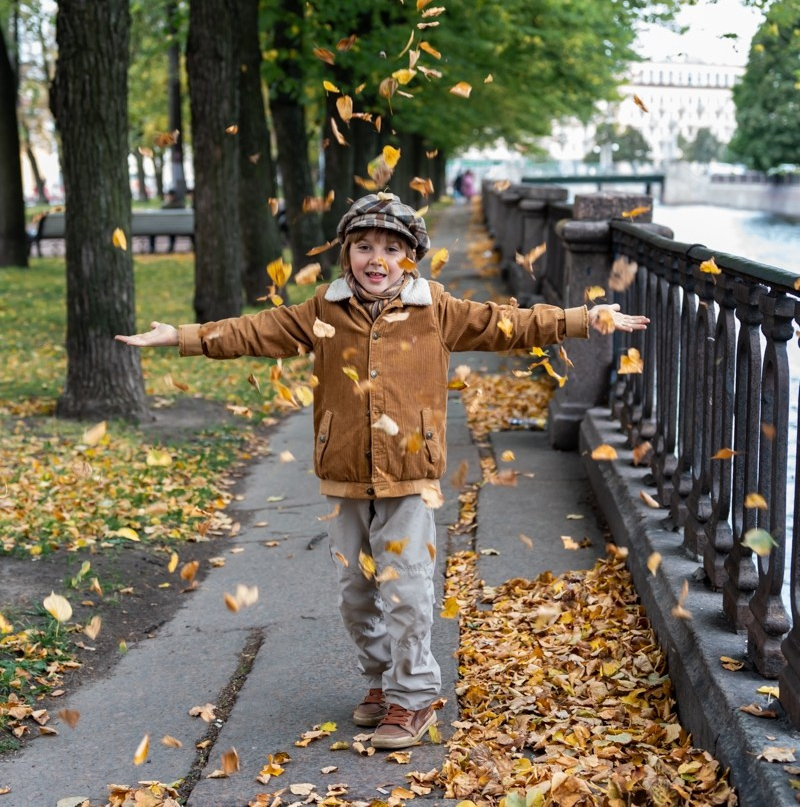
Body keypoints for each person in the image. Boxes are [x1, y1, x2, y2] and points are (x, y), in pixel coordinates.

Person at [116, 192, 649, 750]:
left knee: (408, 589)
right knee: (356, 591)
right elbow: (258, 331)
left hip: (410, 473)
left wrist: (583, 317)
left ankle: (414, 697)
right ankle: (381, 685)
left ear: (411, 257)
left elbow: (507, 325)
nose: (377, 259)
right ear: (346, 255)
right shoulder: (325, 308)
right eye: (364, 247)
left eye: (392, 249)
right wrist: (183, 335)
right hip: (345, 472)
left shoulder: (435, 308)